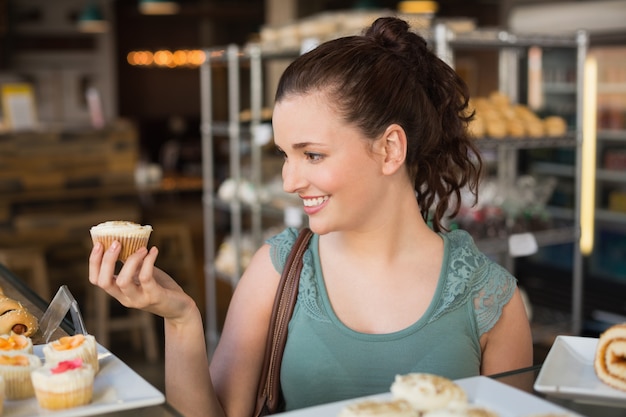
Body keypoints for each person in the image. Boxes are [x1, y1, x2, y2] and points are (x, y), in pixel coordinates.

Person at [89, 16, 533, 417]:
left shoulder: (491, 301)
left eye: (313, 155)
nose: (289, 180)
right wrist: (180, 318)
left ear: (390, 149)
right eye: (285, 155)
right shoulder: (276, 270)